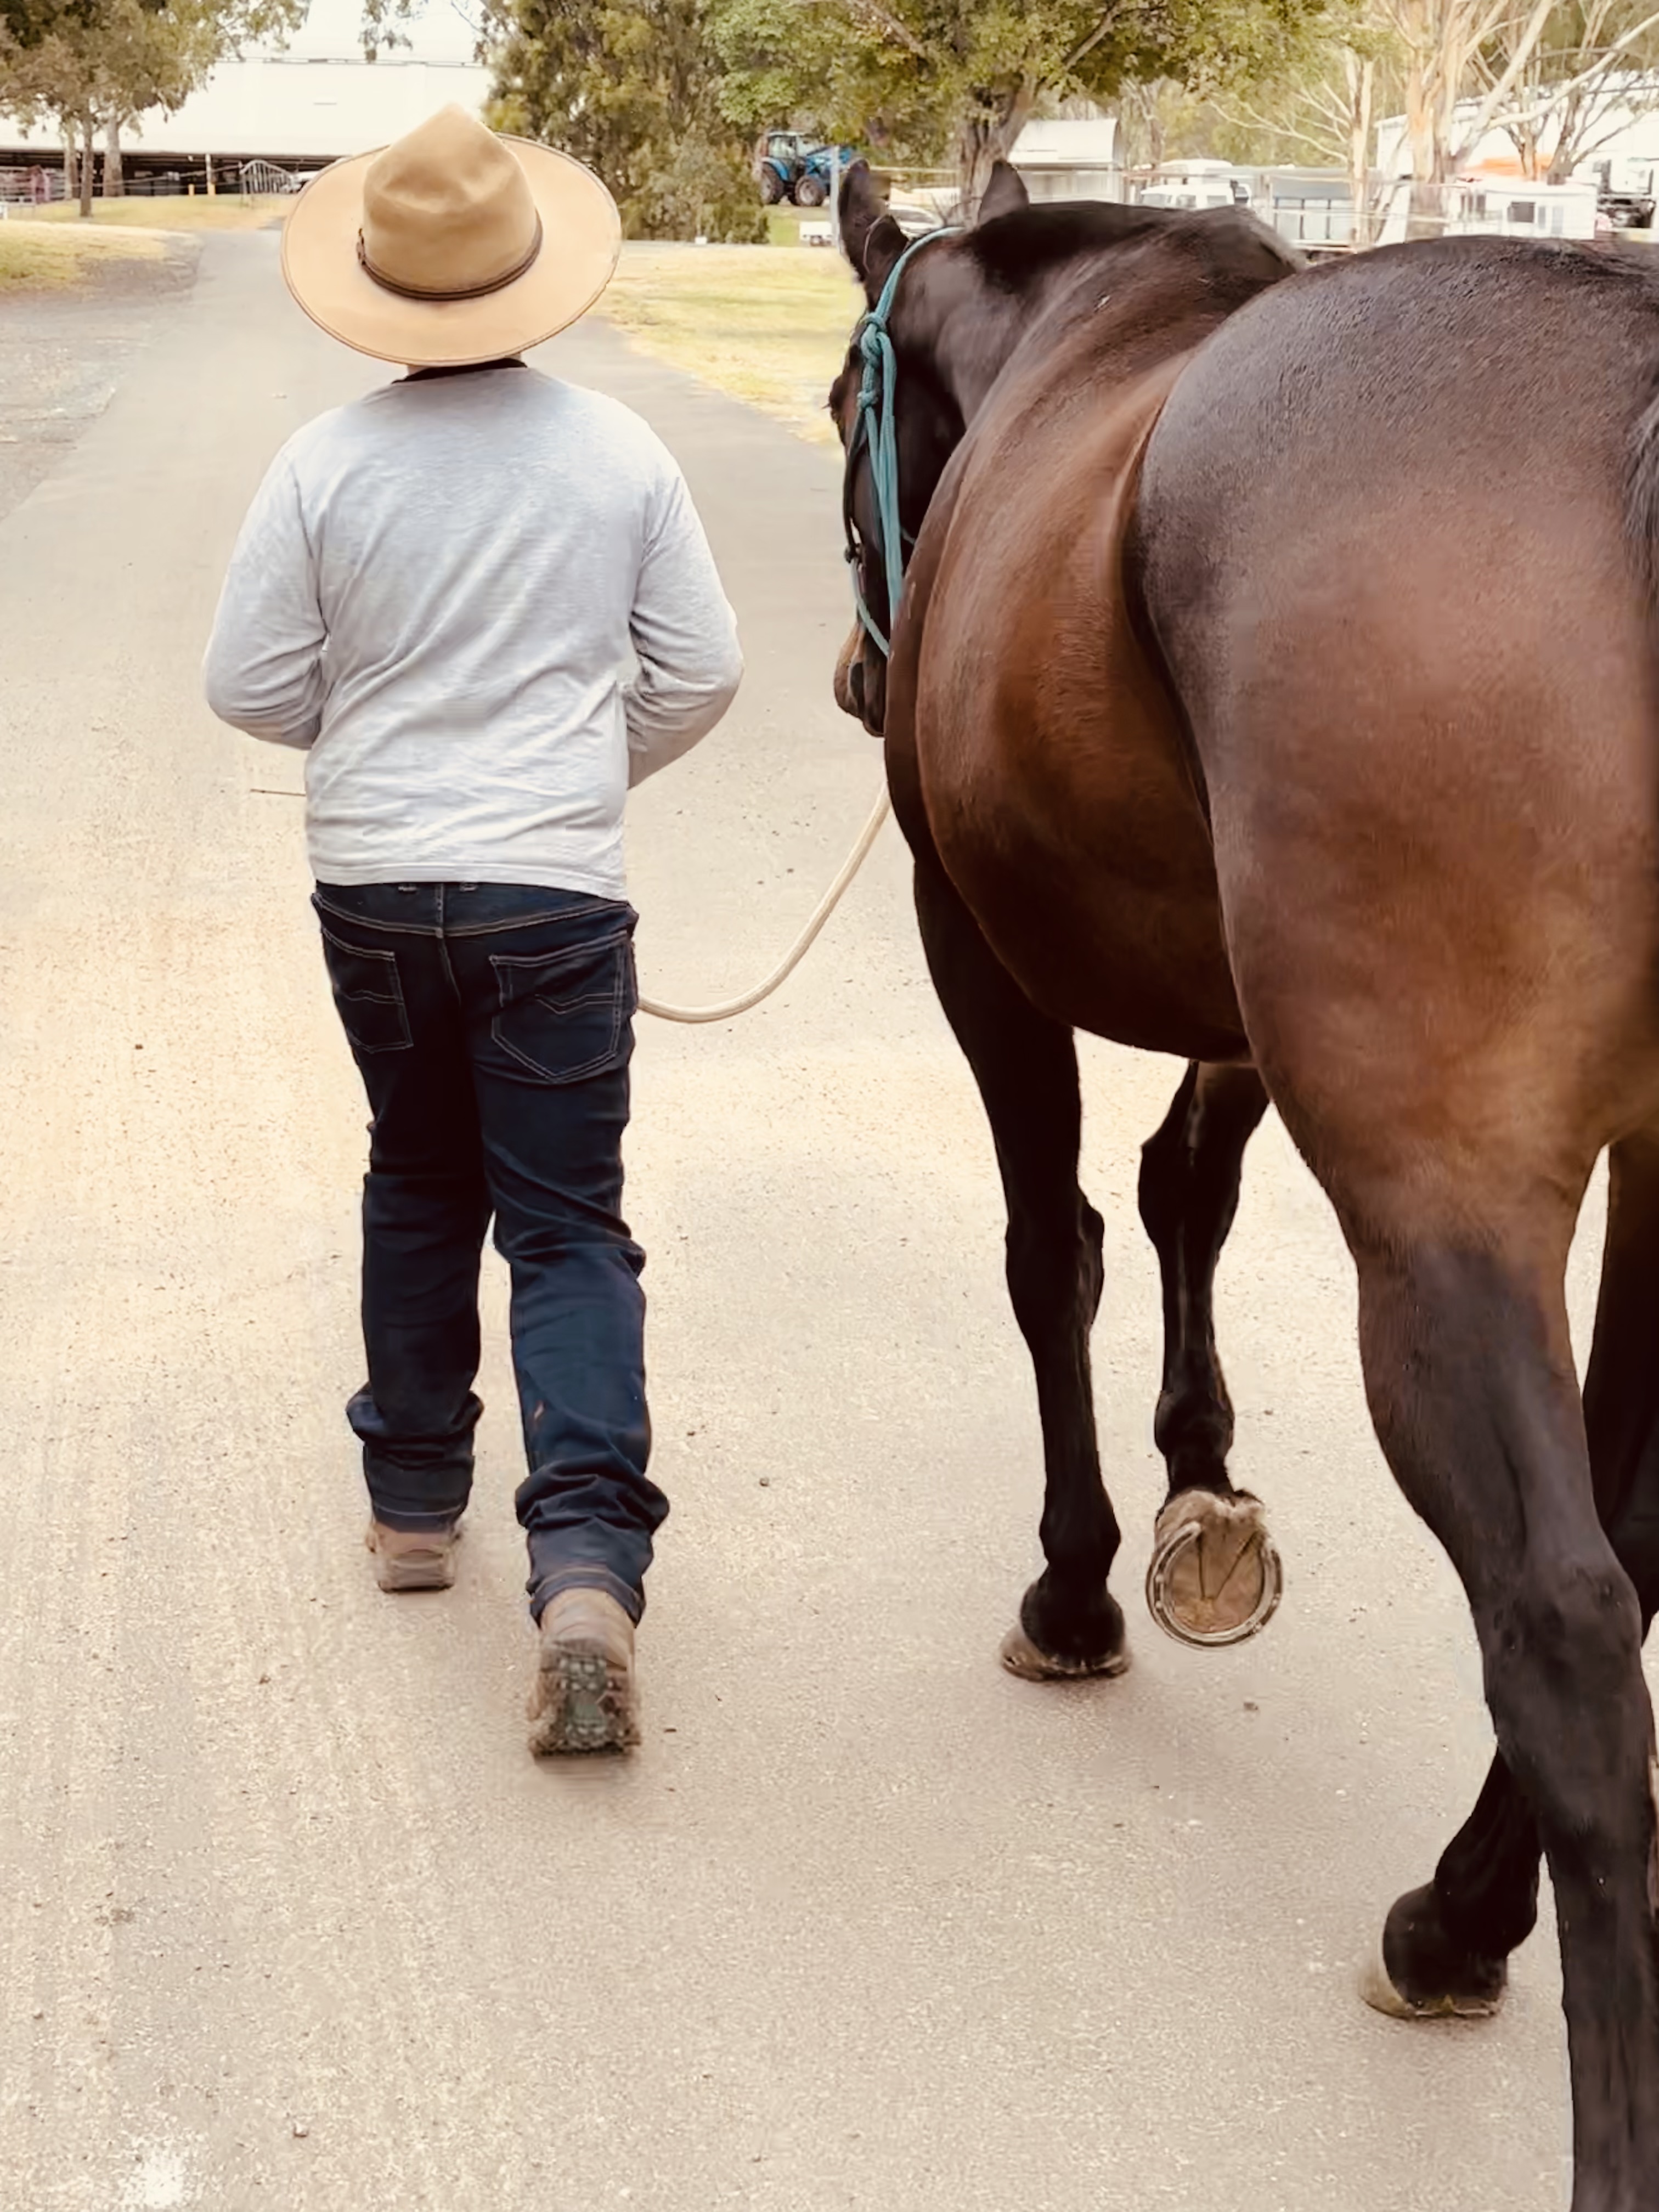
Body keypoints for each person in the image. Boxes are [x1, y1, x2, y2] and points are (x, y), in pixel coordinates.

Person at [204, 105, 742, 1754]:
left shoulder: (324, 463)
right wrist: (577, 770)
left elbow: (250, 683)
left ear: (381, 290)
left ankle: (415, 1508)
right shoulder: (619, 454)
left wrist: (378, 741)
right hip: (554, 890)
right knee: (567, 1228)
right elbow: (702, 670)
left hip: (373, 884)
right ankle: (582, 1568)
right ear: (528, 278)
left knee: (420, 1176)